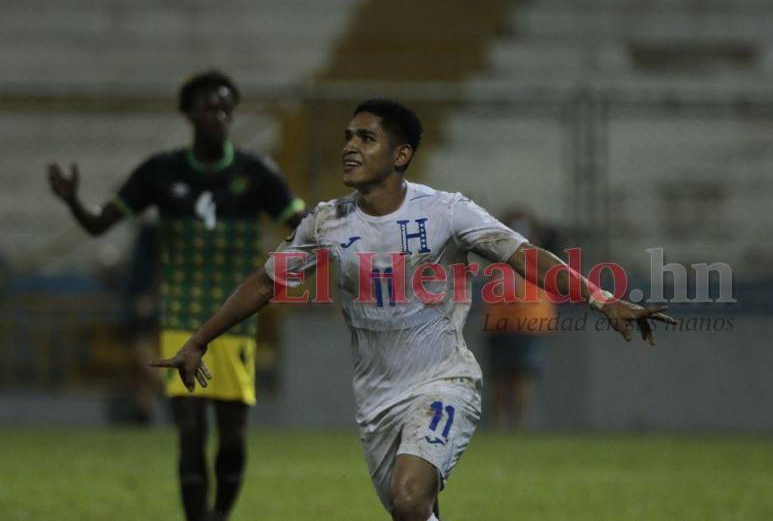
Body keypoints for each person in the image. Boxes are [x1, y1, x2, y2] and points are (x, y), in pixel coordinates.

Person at [152, 99, 675, 521]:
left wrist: (601, 298)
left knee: (408, 498)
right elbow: (265, 283)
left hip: (443, 382)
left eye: (366, 138)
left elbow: (525, 256)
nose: (350, 148)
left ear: (400, 155)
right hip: (377, 399)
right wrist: (201, 338)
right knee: (414, 510)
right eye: (348, 138)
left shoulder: (447, 211)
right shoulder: (325, 223)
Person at [47, 70, 305, 521]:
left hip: (235, 320)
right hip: (181, 319)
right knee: (189, 431)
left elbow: (303, 226)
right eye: (209, 106)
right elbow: (98, 224)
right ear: (188, 113)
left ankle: (219, 515)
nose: (219, 115)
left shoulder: (257, 173)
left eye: (227, 107)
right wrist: (72, 200)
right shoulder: (160, 172)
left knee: (232, 438)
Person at [483, 210, 557, 429]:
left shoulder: (500, 253)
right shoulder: (541, 255)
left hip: (505, 321)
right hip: (530, 320)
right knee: (521, 376)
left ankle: (503, 424)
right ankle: (516, 424)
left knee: (504, 377)